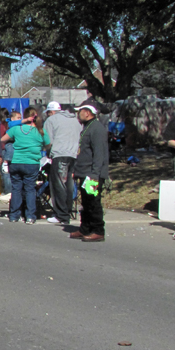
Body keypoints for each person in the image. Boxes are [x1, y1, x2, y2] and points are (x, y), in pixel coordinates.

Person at [1, 107, 50, 224]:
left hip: (16, 161)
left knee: (16, 188)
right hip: (32, 162)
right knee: (30, 189)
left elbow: (3, 139)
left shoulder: (17, 129)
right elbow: (48, 145)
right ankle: (30, 216)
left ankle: (14, 215)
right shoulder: (41, 131)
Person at [71, 98, 109, 242]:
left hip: (92, 174)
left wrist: (95, 174)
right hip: (83, 172)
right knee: (85, 203)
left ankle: (98, 230)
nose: (78, 114)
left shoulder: (97, 128)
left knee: (93, 202)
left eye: (80, 111)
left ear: (87, 113)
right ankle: (85, 228)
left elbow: (99, 154)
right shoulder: (87, 127)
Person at [43, 101, 82, 224]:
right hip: (73, 155)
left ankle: (61, 215)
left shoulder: (51, 120)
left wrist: (48, 151)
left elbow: (47, 140)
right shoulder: (75, 120)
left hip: (59, 154)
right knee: (69, 185)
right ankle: (67, 211)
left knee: (58, 185)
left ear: (51, 111)